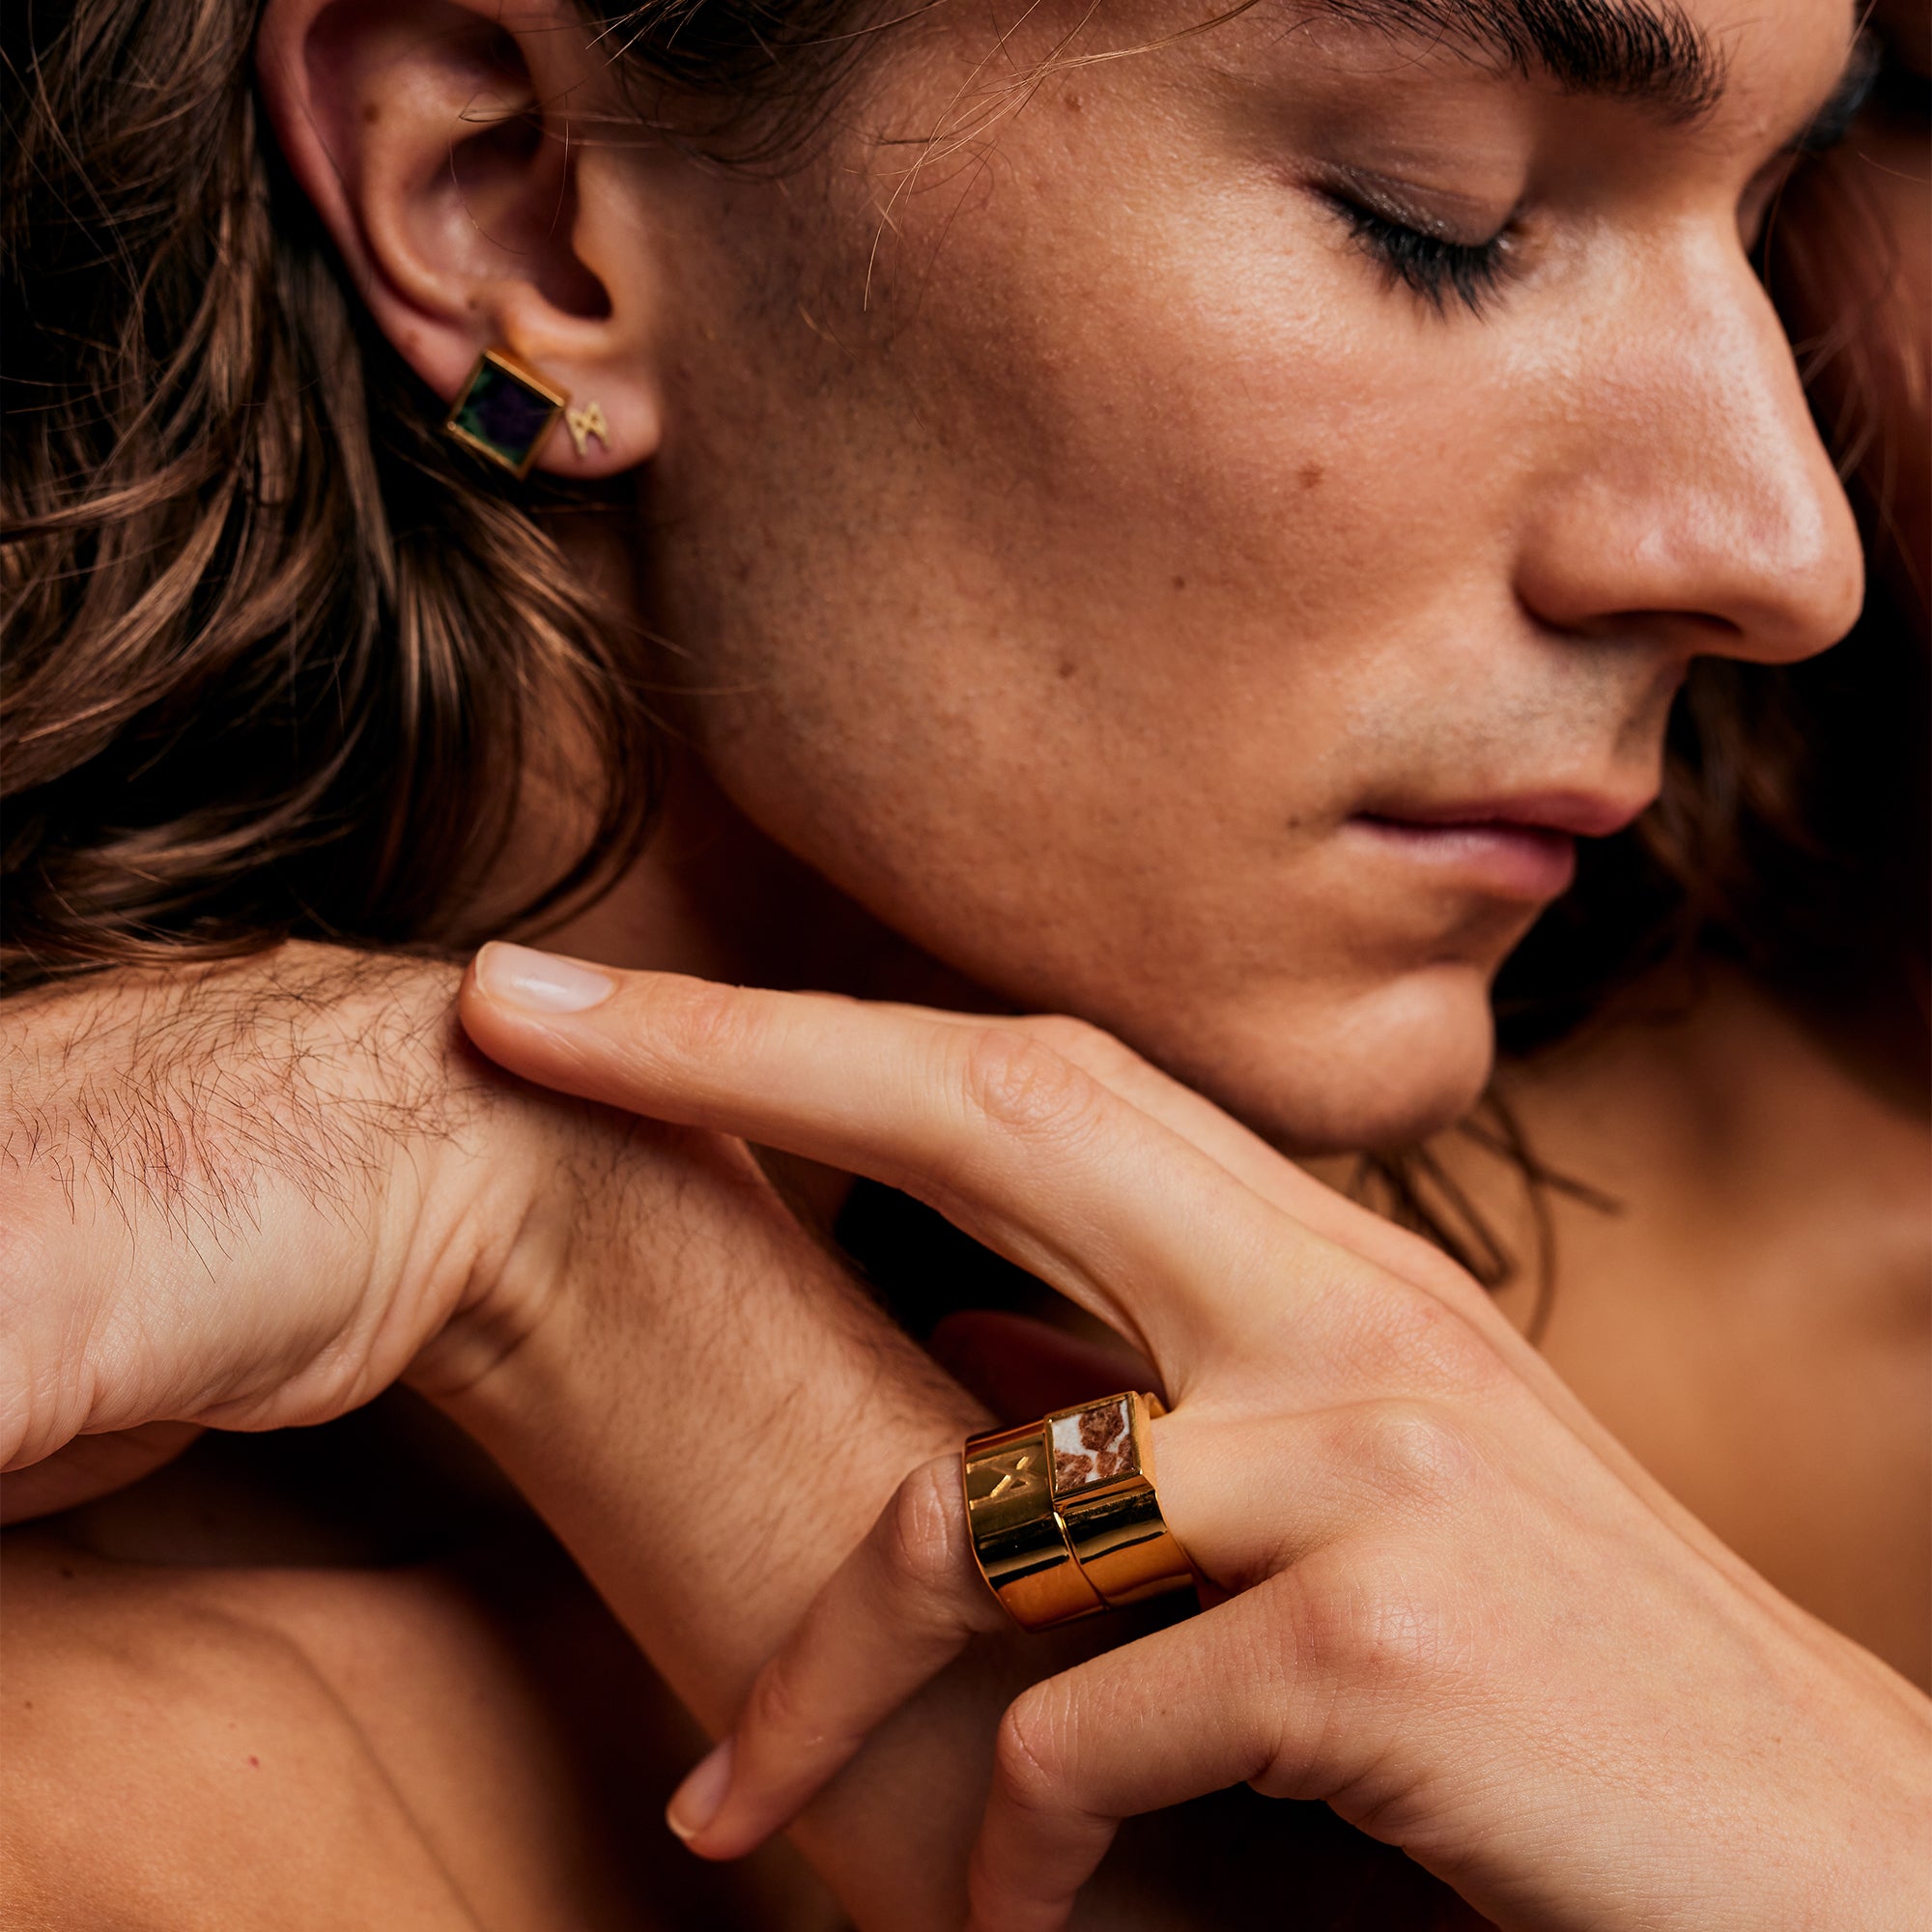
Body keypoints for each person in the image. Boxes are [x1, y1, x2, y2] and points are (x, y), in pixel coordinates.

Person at [1, 0, 1923, 1926]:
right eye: (1437, 214)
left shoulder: (1344, 1538)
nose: (1783, 544)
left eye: (1762, 228)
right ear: (516, 211)